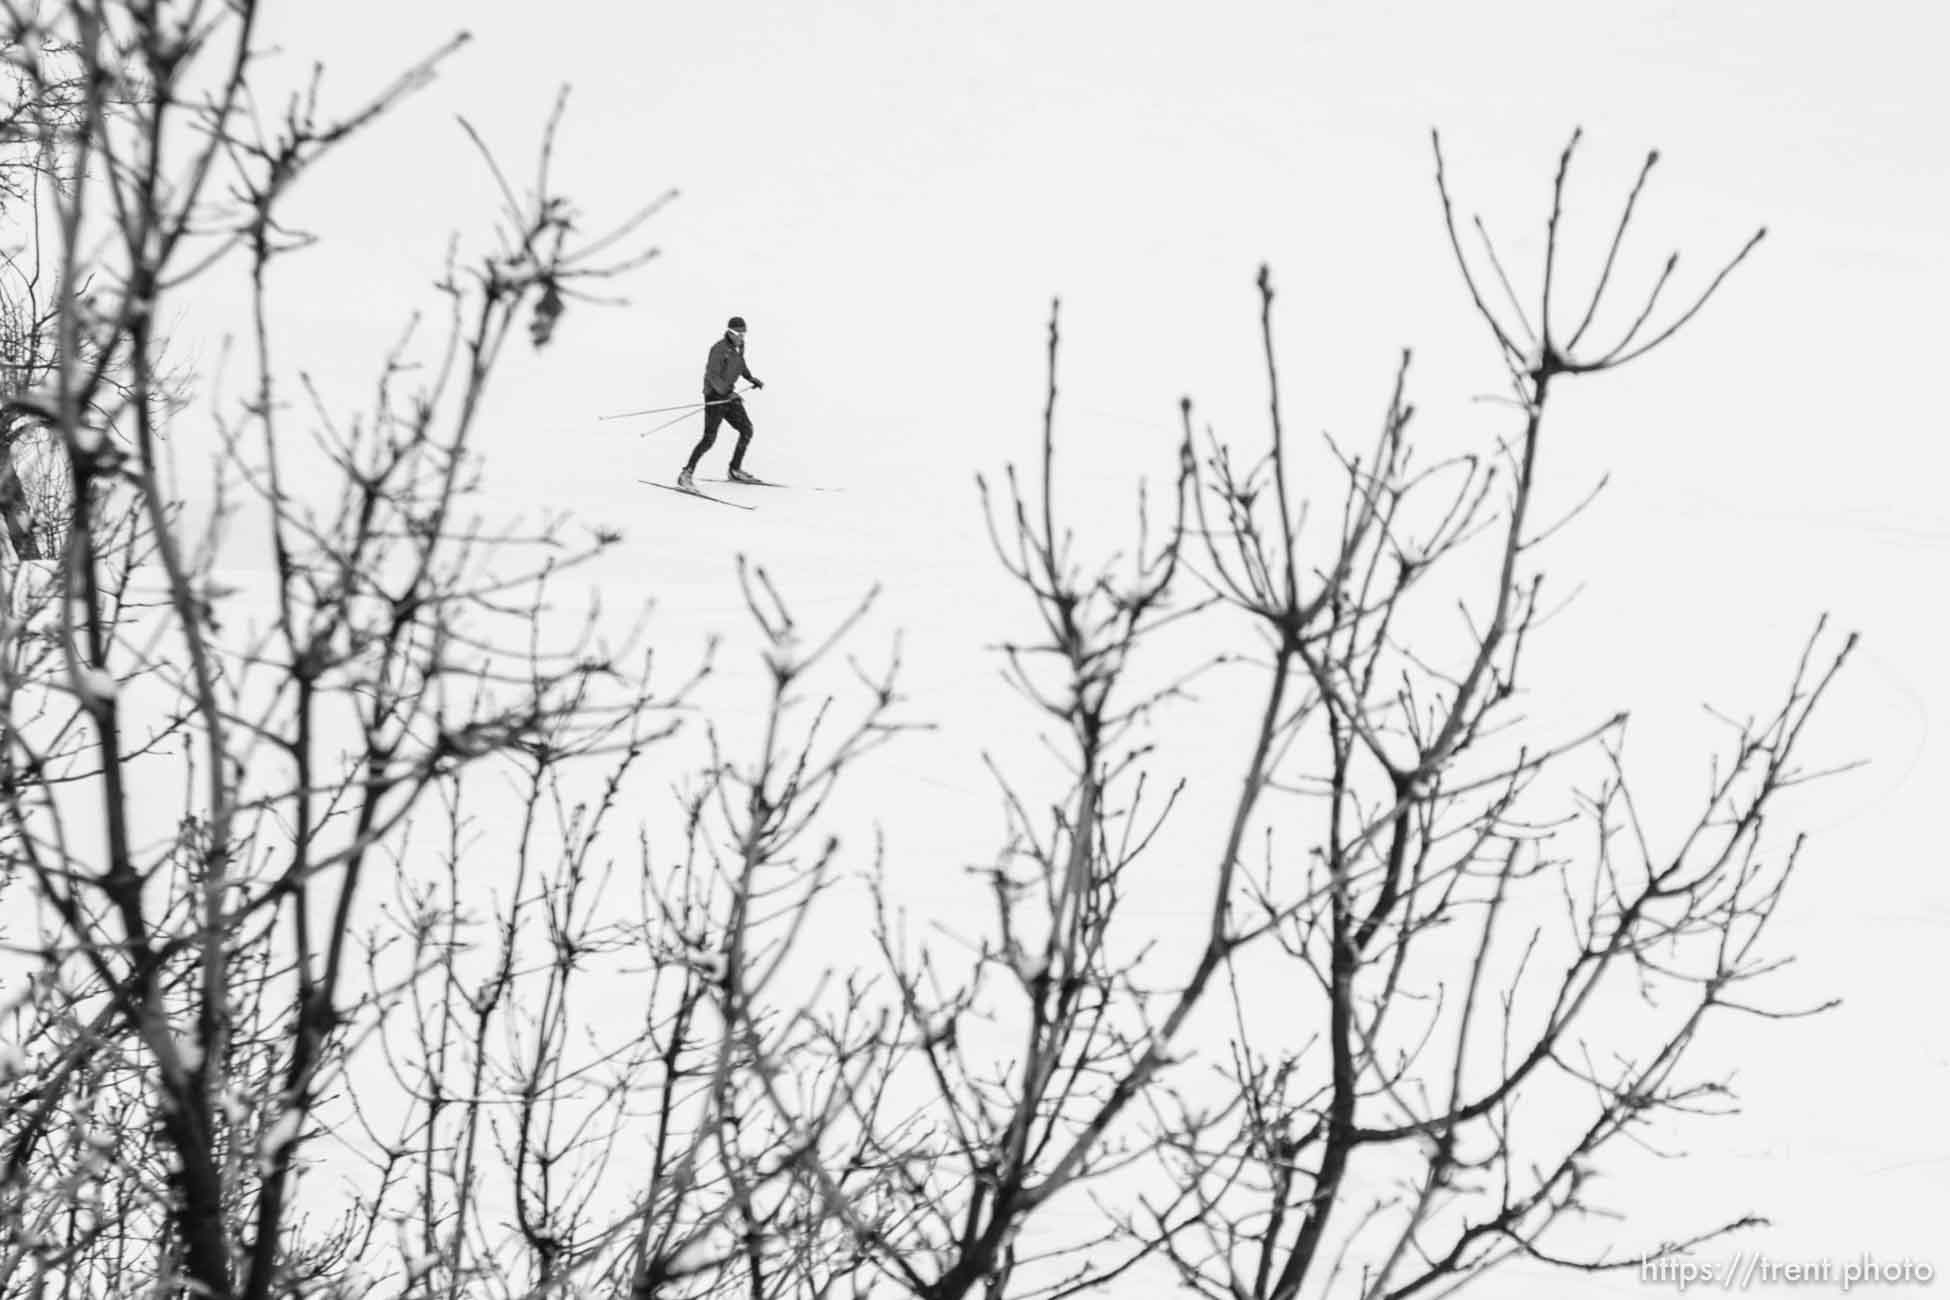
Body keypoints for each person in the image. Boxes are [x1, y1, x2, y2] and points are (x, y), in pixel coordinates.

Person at [677, 316, 765, 489]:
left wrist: (750, 377)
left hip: (728, 395)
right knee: (709, 438)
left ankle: (735, 470)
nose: (741, 336)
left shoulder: (739, 346)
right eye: (737, 332)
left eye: (743, 332)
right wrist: (727, 393)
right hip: (715, 396)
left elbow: (740, 363)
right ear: (729, 332)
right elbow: (712, 375)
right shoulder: (719, 349)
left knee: (746, 429)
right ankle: (685, 474)